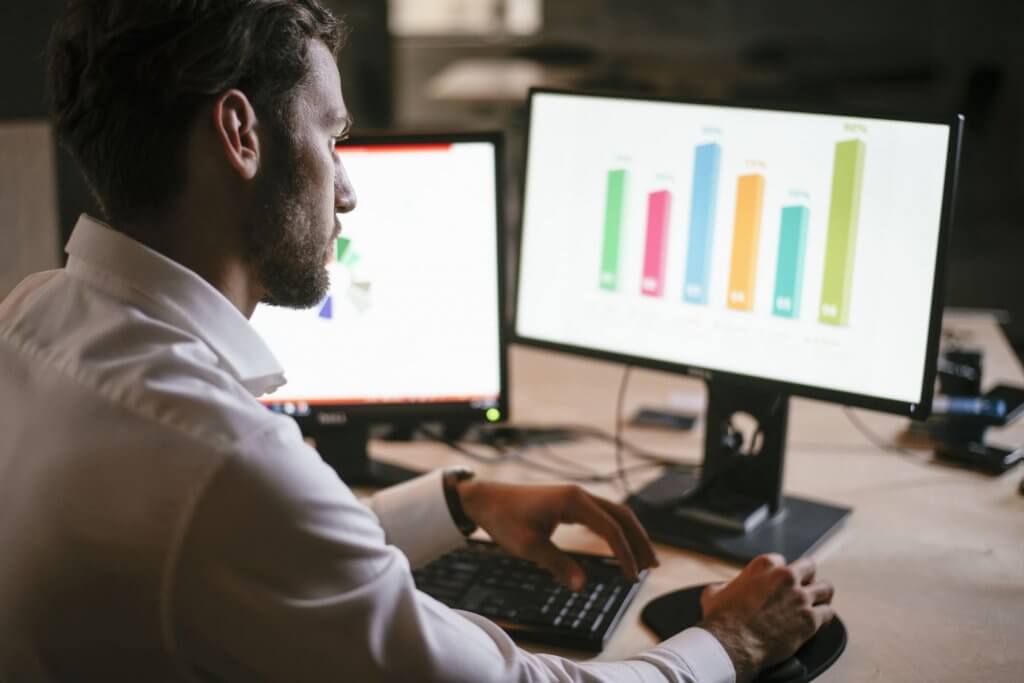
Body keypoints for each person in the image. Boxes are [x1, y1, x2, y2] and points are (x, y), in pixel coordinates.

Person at [0, 1, 835, 681]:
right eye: (333, 139)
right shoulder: (224, 460)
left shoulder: (31, 318)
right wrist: (729, 643)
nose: (349, 189)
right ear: (241, 135)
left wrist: (455, 501)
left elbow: (257, 557)